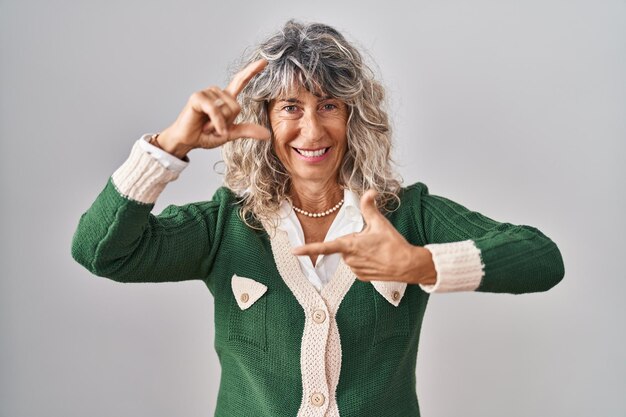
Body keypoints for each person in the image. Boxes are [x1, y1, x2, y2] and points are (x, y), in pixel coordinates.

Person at [71, 19, 565, 417]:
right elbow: (100, 252)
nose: (311, 129)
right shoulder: (225, 226)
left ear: (355, 116)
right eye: (290, 107)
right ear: (263, 117)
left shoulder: (406, 215)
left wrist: (420, 265)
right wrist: (170, 145)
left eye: (329, 105)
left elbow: (543, 258)